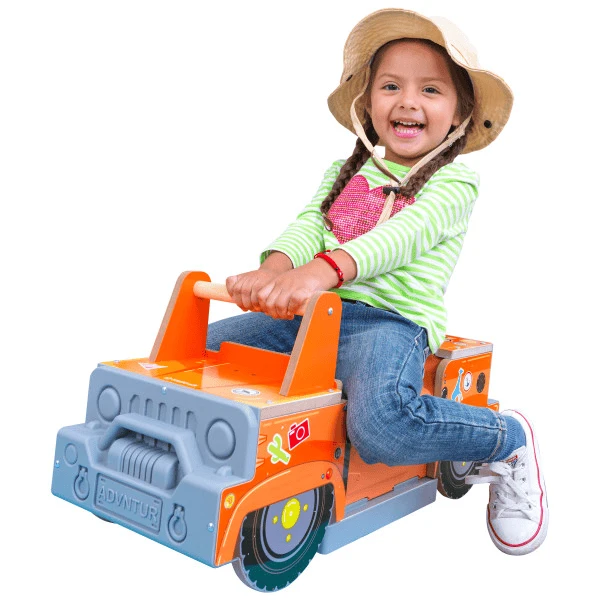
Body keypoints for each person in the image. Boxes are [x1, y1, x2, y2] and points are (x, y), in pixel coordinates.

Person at [206, 8, 548, 556]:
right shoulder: (344, 173)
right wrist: (275, 270)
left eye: (430, 89)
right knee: (206, 356)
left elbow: (402, 236)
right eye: (391, 86)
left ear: (460, 113)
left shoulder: (455, 182)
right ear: (367, 104)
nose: (408, 102)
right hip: (316, 316)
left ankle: (505, 438)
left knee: (382, 425)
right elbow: (310, 225)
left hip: (389, 326)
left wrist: (322, 270)